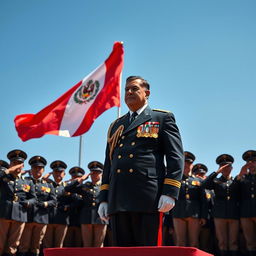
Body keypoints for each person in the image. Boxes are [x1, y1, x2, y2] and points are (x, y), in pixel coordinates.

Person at [98, 75, 184, 246]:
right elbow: (109, 163)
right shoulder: (116, 125)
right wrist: (104, 198)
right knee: (123, 250)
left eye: (134, 89)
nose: (129, 92)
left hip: (148, 197)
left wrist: (170, 192)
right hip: (118, 197)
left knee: (147, 249)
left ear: (147, 93)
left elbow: (175, 156)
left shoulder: (161, 118)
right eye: (126, 89)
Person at [201, 154, 240, 256]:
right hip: (219, 215)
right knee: (222, 242)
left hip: (234, 214)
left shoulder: (236, 181)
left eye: (228, 166)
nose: (226, 169)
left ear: (232, 168)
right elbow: (204, 185)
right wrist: (216, 172)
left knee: (233, 242)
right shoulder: (216, 181)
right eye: (223, 167)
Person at [0, 150, 36, 256]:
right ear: (10, 164)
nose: (16, 166)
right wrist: (7, 170)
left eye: (18, 163)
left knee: (13, 245)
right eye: (14, 163)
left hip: (20, 214)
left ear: (23, 165)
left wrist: (28, 203)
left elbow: (34, 198)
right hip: (4, 213)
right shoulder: (4, 177)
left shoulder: (28, 181)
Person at [18, 156, 56, 256]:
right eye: (35, 168)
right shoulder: (24, 181)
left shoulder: (49, 185)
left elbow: (54, 201)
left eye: (40, 168)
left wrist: (45, 204)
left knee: (36, 246)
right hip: (27, 217)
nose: (37, 170)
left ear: (43, 170)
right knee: (23, 244)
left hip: (41, 218)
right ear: (31, 169)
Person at [65, 162, 108, 247]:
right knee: (87, 246)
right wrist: (81, 179)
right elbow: (68, 188)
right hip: (86, 219)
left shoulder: (104, 187)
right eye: (92, 173)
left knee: (98, 246)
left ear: (101, 174)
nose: (94, 175)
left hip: (100, 219)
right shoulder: (85, 186)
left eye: (97, 173)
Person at [172, 153, 208, 248]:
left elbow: (203, 200)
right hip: (178, 213)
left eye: (189, 163)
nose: (186, 165)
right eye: (184, 163)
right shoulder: (175, 180)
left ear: (192, 165)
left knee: (194, 243)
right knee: (180, 243)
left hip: (194, 214)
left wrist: (203, 216)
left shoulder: (199, 181)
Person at [42, 160, 71, 248]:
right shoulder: (47, 185)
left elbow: (76, 201)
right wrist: (46, 177)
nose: (58, 174)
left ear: (64, 174)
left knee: (59, 246)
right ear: (52, 173)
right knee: (47, 245)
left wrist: (67, 207)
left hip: (62, 219)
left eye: (60, 172)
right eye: (56, 172)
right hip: (49, 218)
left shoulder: (67, 187)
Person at [236, 150, 256, 256]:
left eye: (253, 161)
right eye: (248, 162)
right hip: (245, 213)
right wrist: (240, 173)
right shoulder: (242, 178)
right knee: (250, 242)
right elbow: (233, 189)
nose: (251, 164)